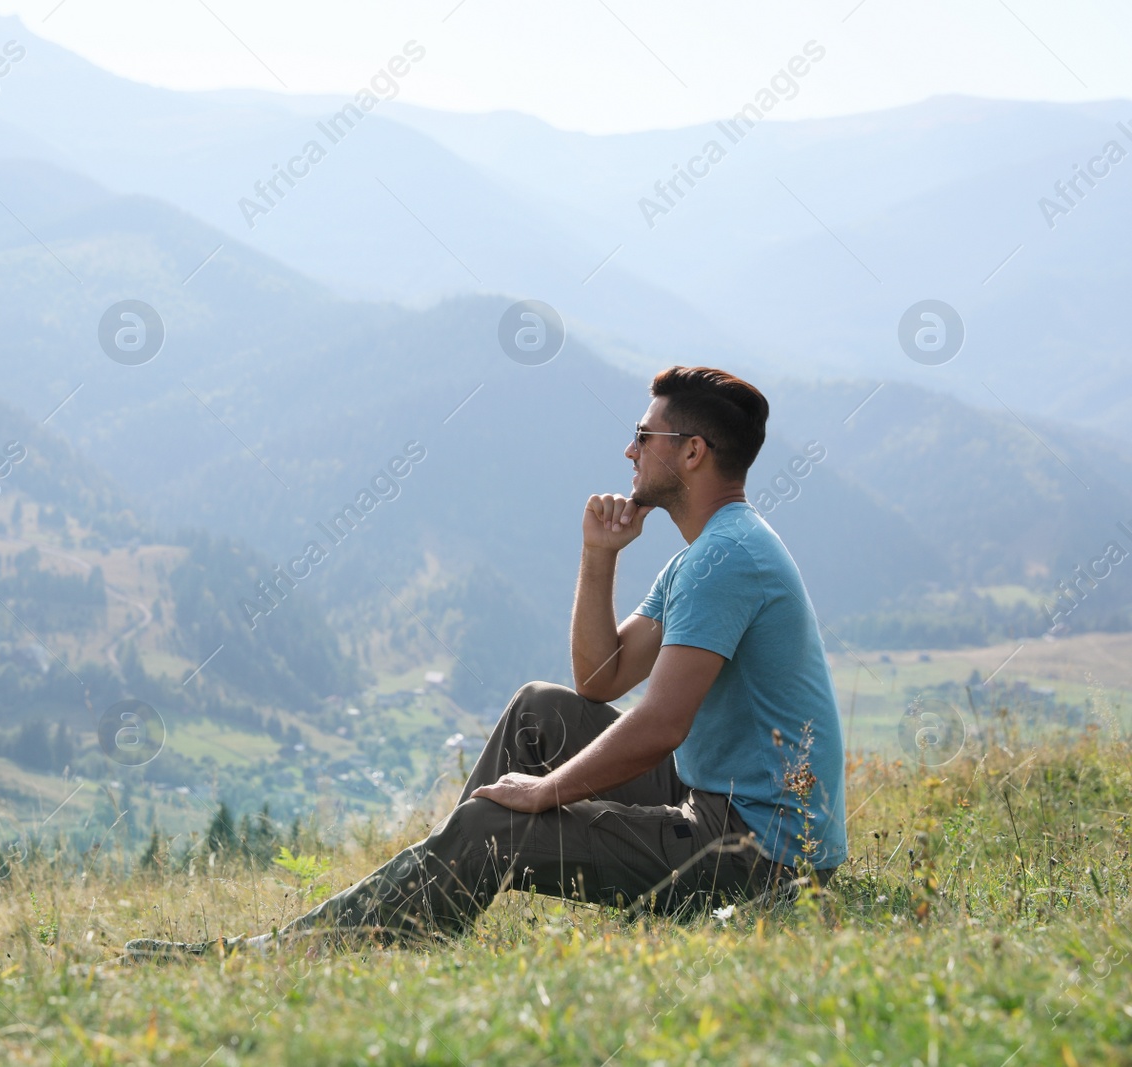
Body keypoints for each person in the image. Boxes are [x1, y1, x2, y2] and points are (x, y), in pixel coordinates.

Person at [125, 366, 846, 961]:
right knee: (539, 708)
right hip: (714, 800)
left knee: (501, 821)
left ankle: (279, 955)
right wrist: (598, 558)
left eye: (643, 435)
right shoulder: (705, 553)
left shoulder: (726, 557)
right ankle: (428, 903)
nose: (629, 451)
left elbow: (660, 723)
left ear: (692, 452)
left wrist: (545, 793)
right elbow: (599, 680)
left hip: (761, 854)